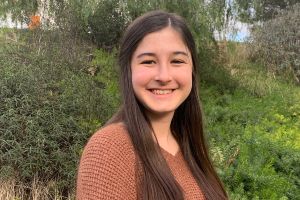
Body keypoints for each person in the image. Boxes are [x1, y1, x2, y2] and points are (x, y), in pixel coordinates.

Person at [76, 10, 228, 200]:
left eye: (177, 61)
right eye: (148, 61)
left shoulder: (188, 145)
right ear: (128, 70)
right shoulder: (110, 149)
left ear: (192, 70)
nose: (164, 76)